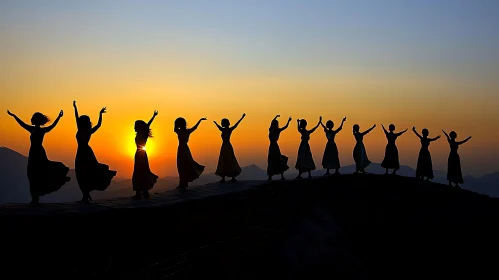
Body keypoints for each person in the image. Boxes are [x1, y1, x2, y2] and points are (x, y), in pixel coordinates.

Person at [7, 109, 70, 204]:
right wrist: (14, 115)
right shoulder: (32, 129)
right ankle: (34, 199)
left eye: (33, 118)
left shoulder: (42, 130)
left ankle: (36, 199)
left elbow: (52, 126)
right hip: (33, 154)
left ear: (36, 120)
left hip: (39, 154)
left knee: (39, 174)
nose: (31, 120)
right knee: (32, 175)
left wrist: (59, 117)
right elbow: (22, 123)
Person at [73, 101, 117, 203]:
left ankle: (85, 196)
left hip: (85, 153)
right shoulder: (83, 129)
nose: (79, 121)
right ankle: (85, 195)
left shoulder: (86, 130)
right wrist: (75, 107)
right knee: (80, 174)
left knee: (85, 174)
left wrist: (100, 114)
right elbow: (76, 116)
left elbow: (98, 125)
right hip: (81, 153)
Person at [132, 110, 159, 199]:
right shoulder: (139, 134)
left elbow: (147, 125)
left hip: (142, 155)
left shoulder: (143, 134)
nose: (134, 127)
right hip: (139, 154)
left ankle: (142, 192)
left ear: (139, 127)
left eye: (135, 126)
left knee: (142, 172)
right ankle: (141, 192)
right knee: (139, 172)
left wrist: (153, 116)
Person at [175, 117, 206, 189]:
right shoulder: (185, 131)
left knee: (184, 166)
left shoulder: (181, 131)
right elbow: (195, 127)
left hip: (183, 150)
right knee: (181, 166)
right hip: (183, 149)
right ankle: (182, 183)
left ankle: (183, 183)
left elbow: (195, 127)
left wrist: (200, 120)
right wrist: (200, 120)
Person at [214, 114, 246, 183]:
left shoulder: (229, 129)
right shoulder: (223, 129)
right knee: (224, 160)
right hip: (224, 147)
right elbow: (218, 127)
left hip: (227, 147)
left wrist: (241, 118)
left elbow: (236, 124)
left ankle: (231, 177)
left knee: (229, 160)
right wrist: (215, 123)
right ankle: (224, 178)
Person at [267, 115, 292, 180]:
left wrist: (288, 121)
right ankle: (271, 176)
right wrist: (276, 117)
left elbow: (285, 127)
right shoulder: (271, 129)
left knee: (277, 160)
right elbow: (272, 122)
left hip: (274, 146)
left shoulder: (275, 130)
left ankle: (278, 176)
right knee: (272, 160)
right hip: (272, 147)